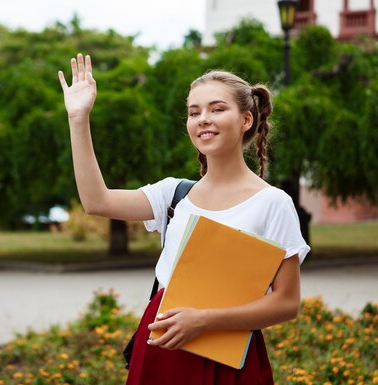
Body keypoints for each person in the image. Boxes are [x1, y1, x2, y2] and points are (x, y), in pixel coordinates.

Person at [58, 53, 311, 385]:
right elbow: (96, 200)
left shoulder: (272, 203)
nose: (203, 118)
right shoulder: (174, 195)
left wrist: (204, 321)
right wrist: (78, 118)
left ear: (246, 119)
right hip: (164, 345)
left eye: (217, 109)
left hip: (228, 352)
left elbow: (286, 303)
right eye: (195, 112)